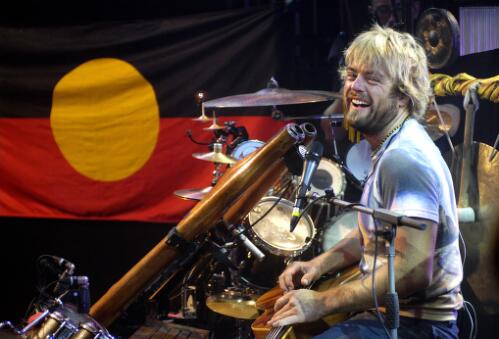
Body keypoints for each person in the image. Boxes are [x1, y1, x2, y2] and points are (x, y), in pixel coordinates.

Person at [268, 25, 463, 338]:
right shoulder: (388, 147)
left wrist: (322, 302)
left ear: (403, 96)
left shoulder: (404, 159)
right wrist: (321, 264)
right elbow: (377, 236)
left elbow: (413, 270)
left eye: (371, 79)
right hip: (393, 316)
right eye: (352, 74)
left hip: (418, 327)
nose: (354, 86)